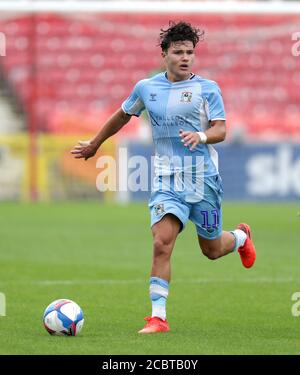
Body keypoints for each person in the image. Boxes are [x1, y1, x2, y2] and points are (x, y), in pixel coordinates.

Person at [71, 21, 256, 334]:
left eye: (190, 52)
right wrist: (94, 143)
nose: (185, 57)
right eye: (178, 52)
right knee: (161, 242)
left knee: (211, 250)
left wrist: (201, 135)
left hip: (203, 180)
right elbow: (122, 114)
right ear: (164, 54)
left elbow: (221, 129)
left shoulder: (207, 88)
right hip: (165, 180)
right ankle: (158, 317)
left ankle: (240, 237)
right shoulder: (147, 87)